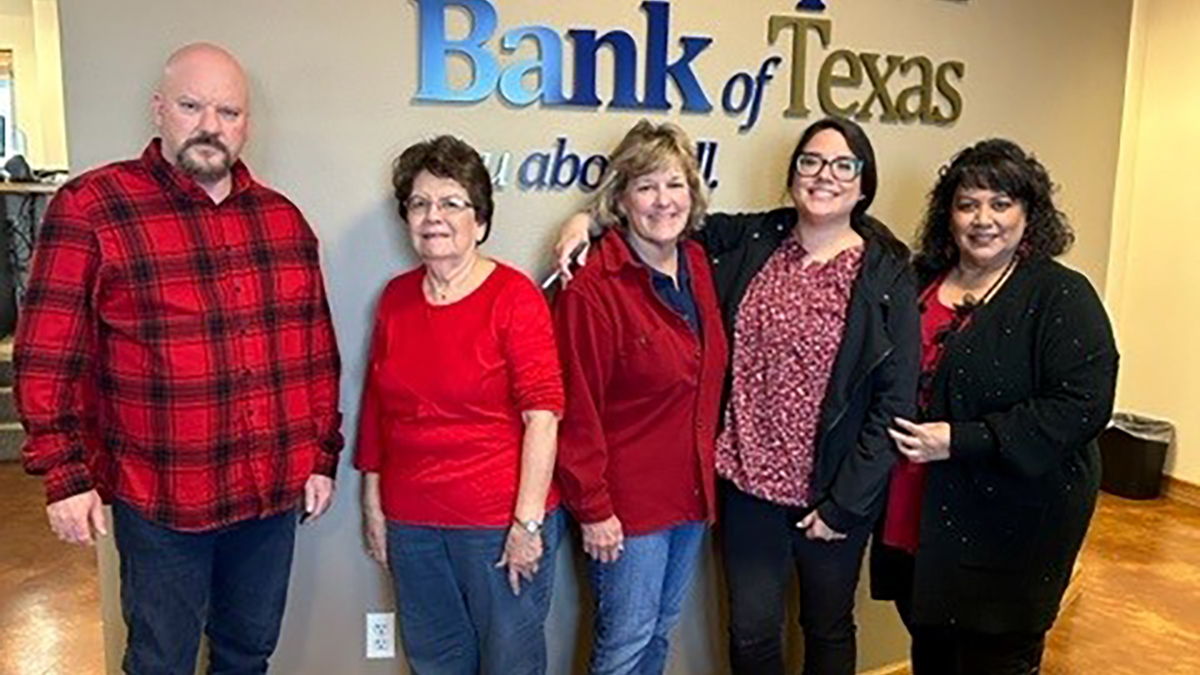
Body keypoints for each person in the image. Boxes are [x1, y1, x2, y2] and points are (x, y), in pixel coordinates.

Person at [14, 44, 343, 674]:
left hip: (268, 494)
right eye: (192, 106)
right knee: (159, 659)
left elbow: (314, 352)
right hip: (162, 497)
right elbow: (47, 351)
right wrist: (65, 474)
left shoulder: (283, 222)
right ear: (159, 109)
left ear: (246, 123)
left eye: (229, 111)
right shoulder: (93, 208)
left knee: (248, 654)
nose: (211, 126)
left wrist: (320, 455)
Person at [557, 117, 920, 675]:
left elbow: (893, 404)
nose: (824, 176)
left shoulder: (887, 273)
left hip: (833, 491)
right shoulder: (752, 241)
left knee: (827, 627)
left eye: (843, 164)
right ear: (793, 174)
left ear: (864, 182)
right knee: (748, 634)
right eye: (810, 162)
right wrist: (586, 218)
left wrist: (845, 502)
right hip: (745, 488)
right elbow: (659, 225)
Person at [872, 138, 1119, 674]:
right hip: (916, 509)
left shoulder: (1060, 296)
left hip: (1010, 529)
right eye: (967, 204)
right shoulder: (918, 282)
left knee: (996, 661)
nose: (983, 219)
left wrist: (961, 439)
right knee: (930, 652)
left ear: (1029, 214)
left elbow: (1082, 405)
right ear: (949, 215)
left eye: (1001, 203)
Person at [355, 135, 564, 675]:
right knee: (435, 660)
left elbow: (542, 416)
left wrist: (528, 525)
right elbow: (378, 408)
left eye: (451, 202)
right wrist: (374, 504)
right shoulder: (395, 299)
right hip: (413, 522)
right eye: (420, 203)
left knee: (510, 662)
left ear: (482, 221)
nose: (433, 216)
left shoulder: (514, 297)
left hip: (497, 522)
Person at [553, 120, 728, 675]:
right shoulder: (593, 287)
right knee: (625, 645)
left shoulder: (697, 264)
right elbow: (573, 408)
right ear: (621, 198)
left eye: (675, 184)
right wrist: (595, 508)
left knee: (659, 632)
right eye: (647, 185)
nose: (663, 200)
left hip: (692, 494)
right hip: (628, 508)